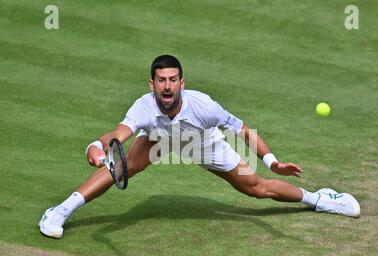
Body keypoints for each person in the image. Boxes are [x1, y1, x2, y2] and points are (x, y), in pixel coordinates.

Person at [39, 55, 360, 239]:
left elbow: (243, 130)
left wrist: (272, 161)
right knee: (120, 167)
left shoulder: (205, 106)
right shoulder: (143, 107)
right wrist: (97, 146)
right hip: (160, 140)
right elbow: (119, 134)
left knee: (256, 188)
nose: (167, 85)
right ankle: (58, 212)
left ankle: (320, 199)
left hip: (201, 142)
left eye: (173, 79)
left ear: (182, 82)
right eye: (161, 80)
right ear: (152, 84)